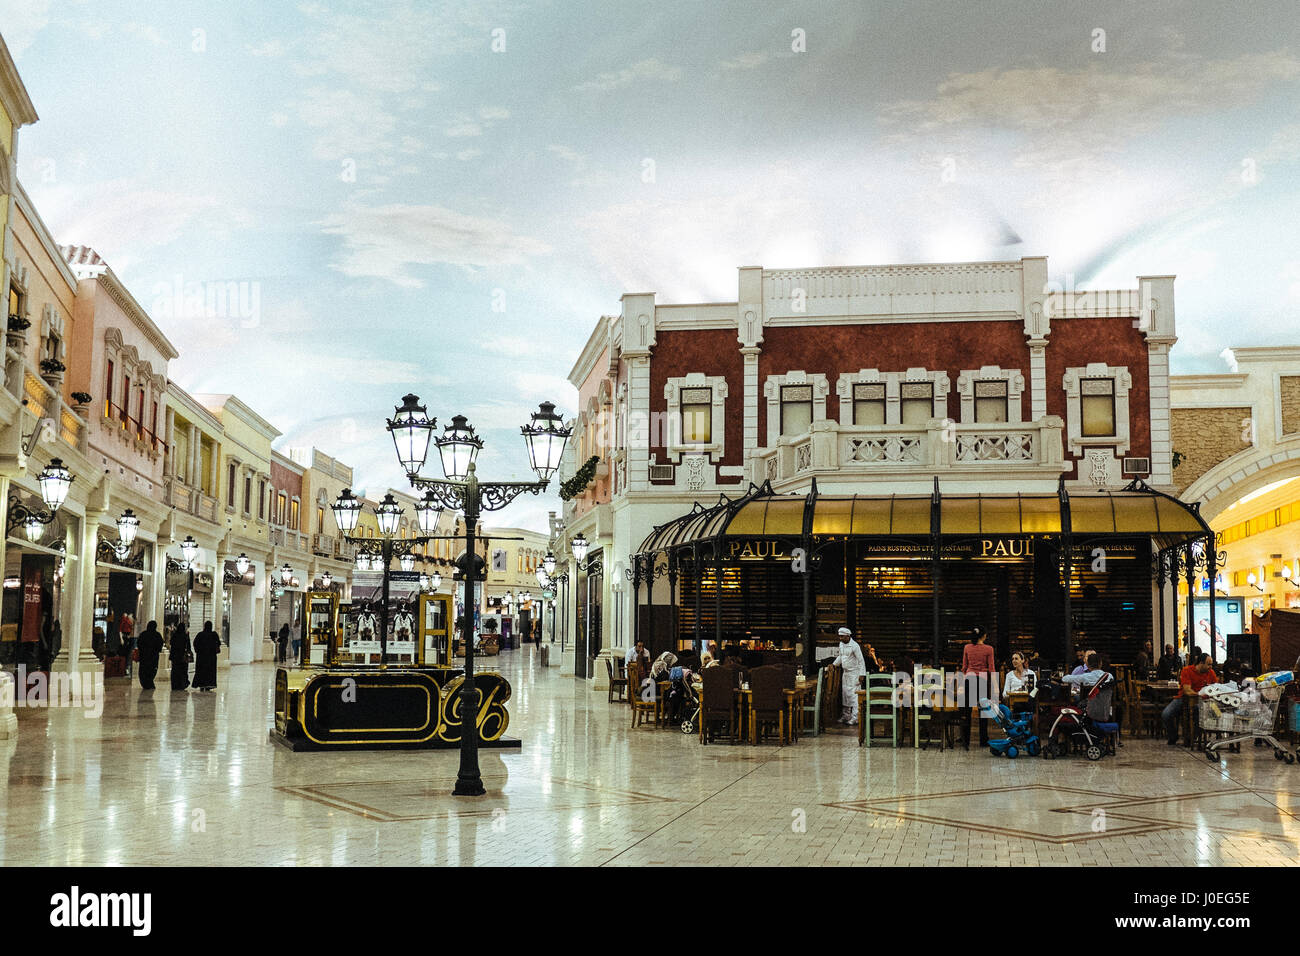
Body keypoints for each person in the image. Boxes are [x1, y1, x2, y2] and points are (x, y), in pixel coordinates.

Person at [1163, 651, 1217, 746]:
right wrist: (1200, 694)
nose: (1211, 667)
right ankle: (1173, 736)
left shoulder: (1211, 673)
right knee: (1166, 714)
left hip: (1205, 701)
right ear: (1201, 663)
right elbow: (1187, 690)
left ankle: (1192, 737)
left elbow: (1216, 688)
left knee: (1206, 712)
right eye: (1209, 664)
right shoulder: (1187, 670)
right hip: (1183, 698)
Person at [960, 626, 996, 748]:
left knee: (967, 711)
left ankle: (966, 740)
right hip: (982, 680)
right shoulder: (989, 649)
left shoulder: (967, 647)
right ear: (984, 636)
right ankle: (983, 740)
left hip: (969, 680)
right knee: (983, 712)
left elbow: (964, 667)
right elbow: (991, 669)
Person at [829, 626, 866, 725]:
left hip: (854, 673)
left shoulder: (855, 646)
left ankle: (855, 717)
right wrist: (834, 664)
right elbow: (841, 656)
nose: (840, 638)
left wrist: (862, 674)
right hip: (846, 673)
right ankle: (846, 715)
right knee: (845, 694)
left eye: (842, 637)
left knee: (854, 695)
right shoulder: (841, 644)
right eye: (839, 636)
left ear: (847, 636)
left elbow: (861, 660)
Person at [192, 620, 220, 692]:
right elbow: (218, 643)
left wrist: (198, 650)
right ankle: (209, 684)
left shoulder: (200, 635)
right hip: (211, 657)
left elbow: (195, 643)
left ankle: (201, 684)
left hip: (201, 657)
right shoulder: (214, 635)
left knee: (201, 671)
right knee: (210, 671)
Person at [136, 621, 164, 690]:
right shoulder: (157, 635)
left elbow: (139, 643)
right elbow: (160, 644)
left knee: (143, 670)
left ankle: (145, 683)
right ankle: (149, 682)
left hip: (144, 656)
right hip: (153, 657)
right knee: (152, 670)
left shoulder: (143, 634)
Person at [170, 622, 192, 691]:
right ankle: (182, 684)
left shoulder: (174, 635)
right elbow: (188, 646)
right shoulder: (185, 636)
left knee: (175, 671)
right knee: (183, 671)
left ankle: (175, 684)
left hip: (175, 657)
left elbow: (171, 643)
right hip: (183, 656)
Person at [119, 612, 135, 677]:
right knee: (125, 653)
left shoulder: (131, 622)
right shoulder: (125, 620)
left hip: (129, 638)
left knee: (129, 653)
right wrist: (121, 639)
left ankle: (126, 668)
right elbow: (120, 629)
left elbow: (132, 629)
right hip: (125, 637)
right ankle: (123, 668)